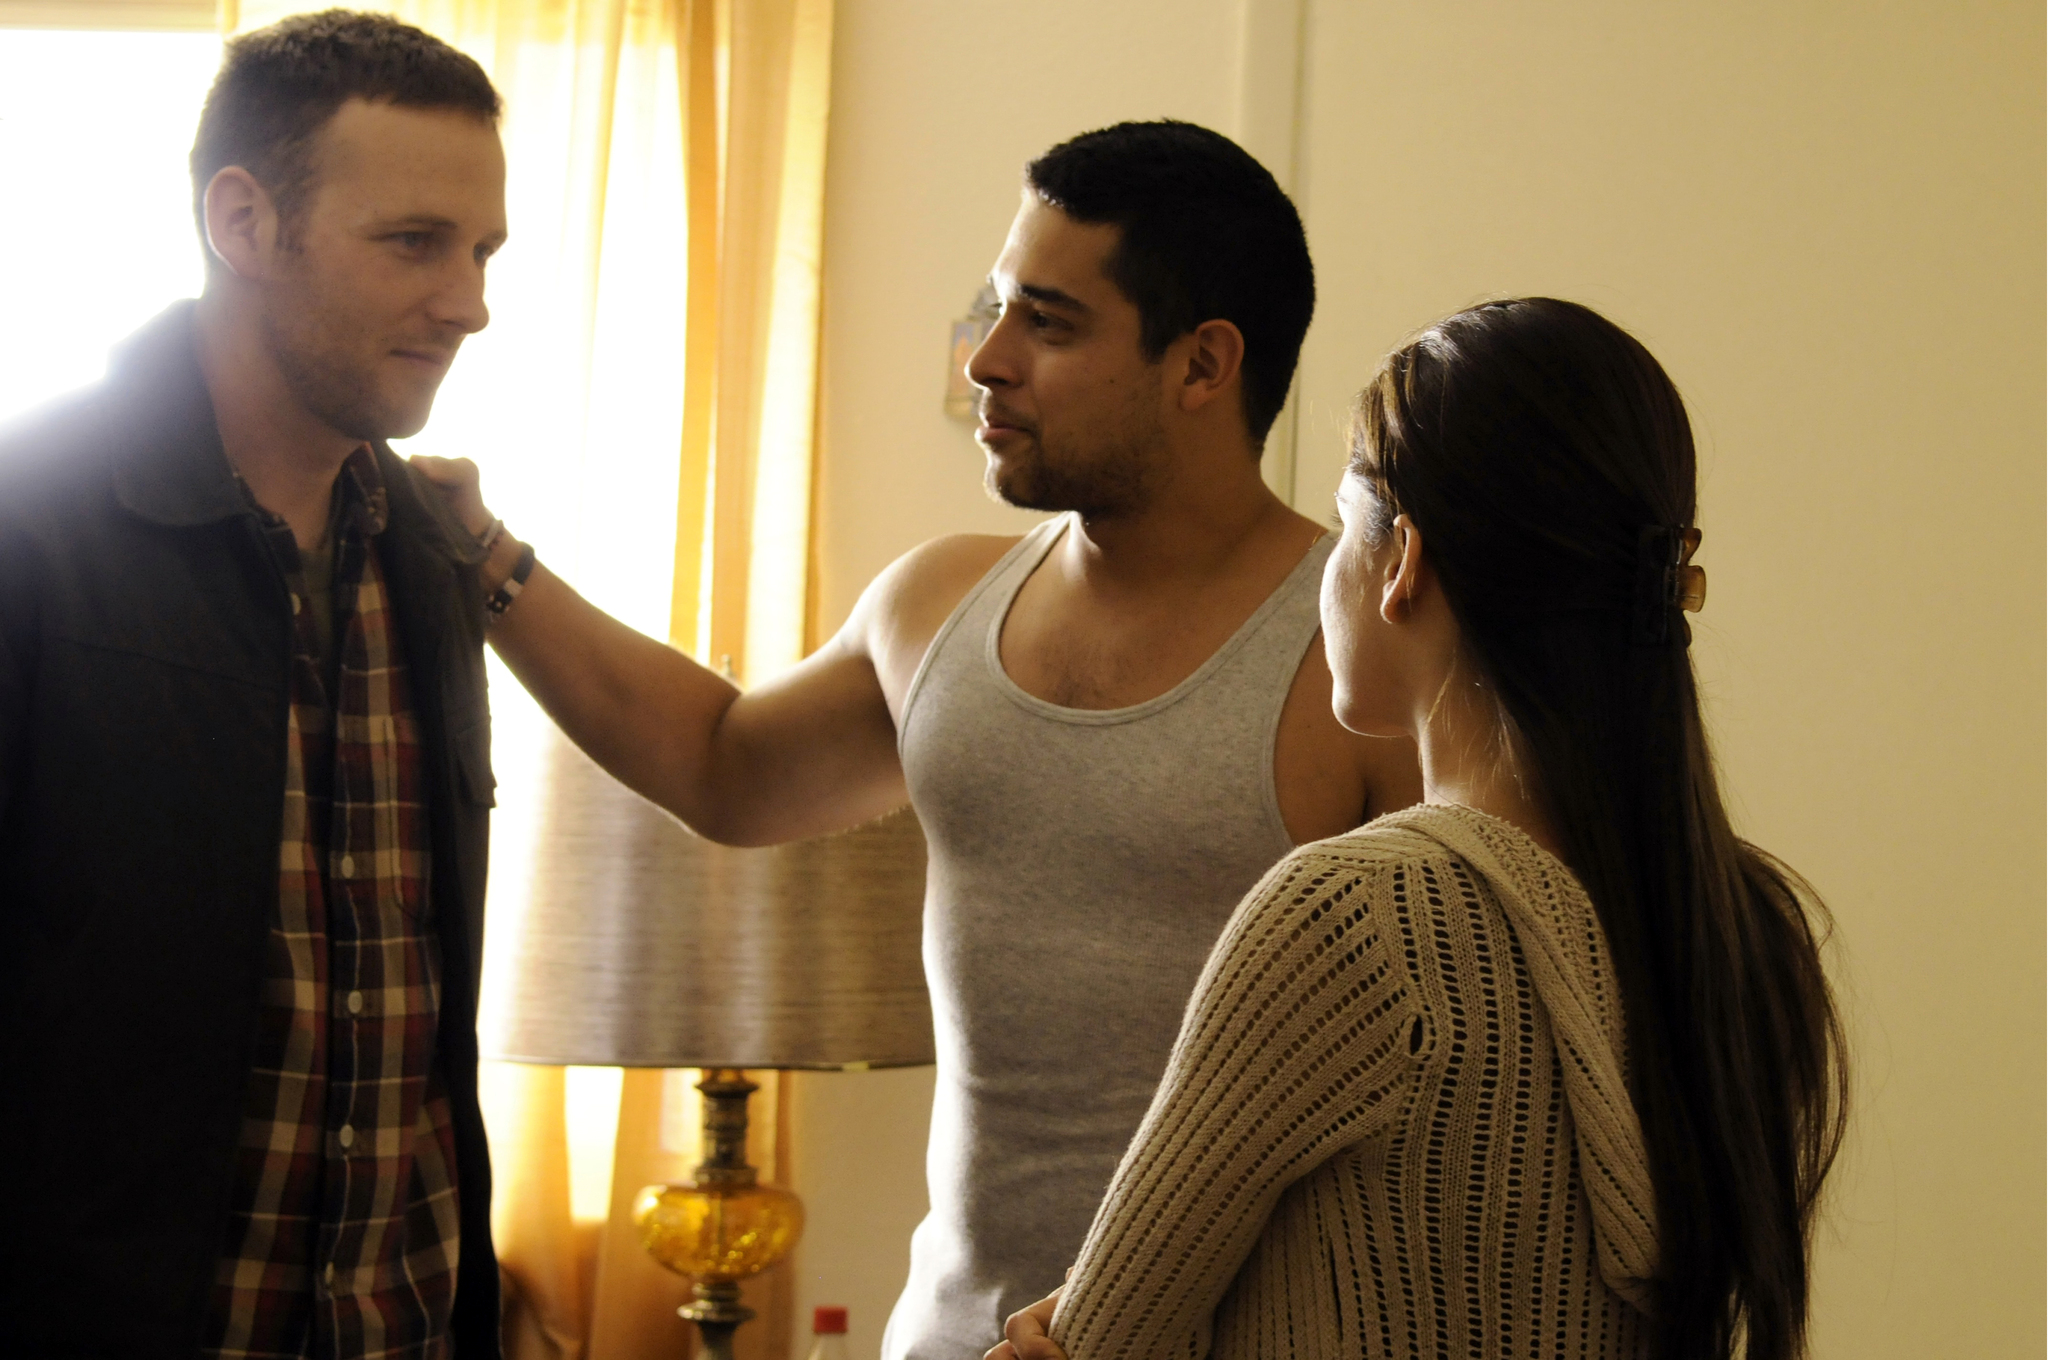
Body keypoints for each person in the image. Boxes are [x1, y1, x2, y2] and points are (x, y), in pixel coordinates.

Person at [415, 121, 1422, 1359]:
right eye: (997, 309)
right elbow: (721, 765)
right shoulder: (932, 604)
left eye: (1046, 323)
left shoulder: (1363, 667)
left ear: (1202, 365)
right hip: (944, 1337)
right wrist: (487, 558)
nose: (986, 358)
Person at [987, 298, 1850, 1360]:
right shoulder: (1748, 929)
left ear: (1402, 561)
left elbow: (1100, 1343)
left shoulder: (1351, 916)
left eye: (1343, 529)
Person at [0, 12, 511, 1356]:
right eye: (415, 241)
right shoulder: (27, 521)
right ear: (242, 221)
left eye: (481, 250)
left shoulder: (429, 554)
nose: (468, 299)